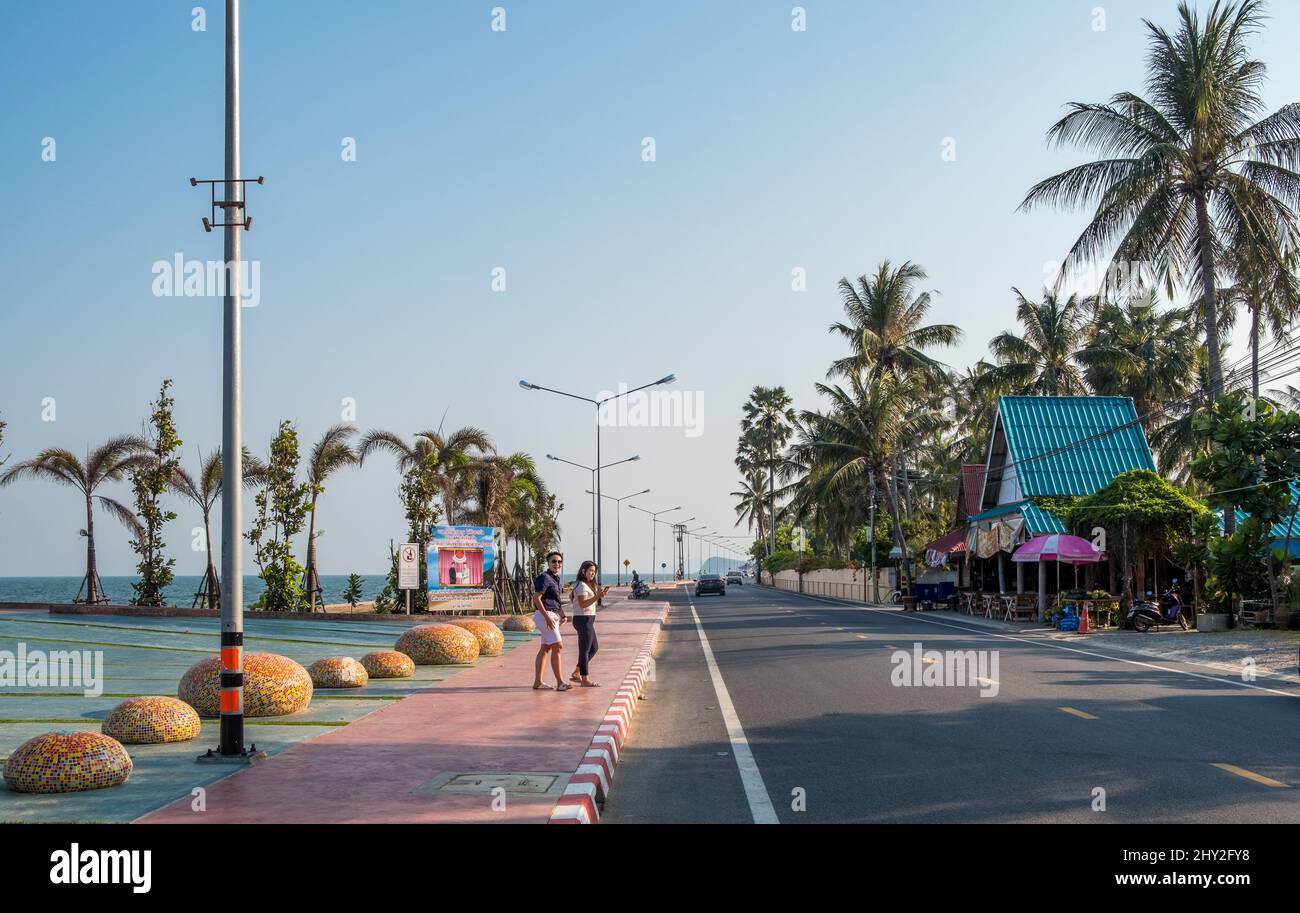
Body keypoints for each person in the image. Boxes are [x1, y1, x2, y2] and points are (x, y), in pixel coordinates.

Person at [532, 551, 570, 691]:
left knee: (546, 648)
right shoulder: (544, 577)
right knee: (558, 646)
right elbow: (536, 598)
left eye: (559, 562)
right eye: (553, 561)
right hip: (544, 615)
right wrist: (547, 617)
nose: (557, 564)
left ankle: (537, 682)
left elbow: (556, 601)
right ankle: (560, 683)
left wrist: (563, 615)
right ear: (548, 563)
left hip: (552, 614)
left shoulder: (556, 579)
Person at [569, 560, 609, 687]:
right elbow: (582, 604)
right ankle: (584, 679)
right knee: (585, 650)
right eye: (590, 571)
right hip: (583, 619)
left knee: (594, 648)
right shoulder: (581, 585)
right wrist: (598, 596)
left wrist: (599, 595)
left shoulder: (584, 584)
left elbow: (572, 598)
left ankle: (577, 672)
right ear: (583, 571)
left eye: (594, 571)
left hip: (587, 620)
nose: (593, 573)